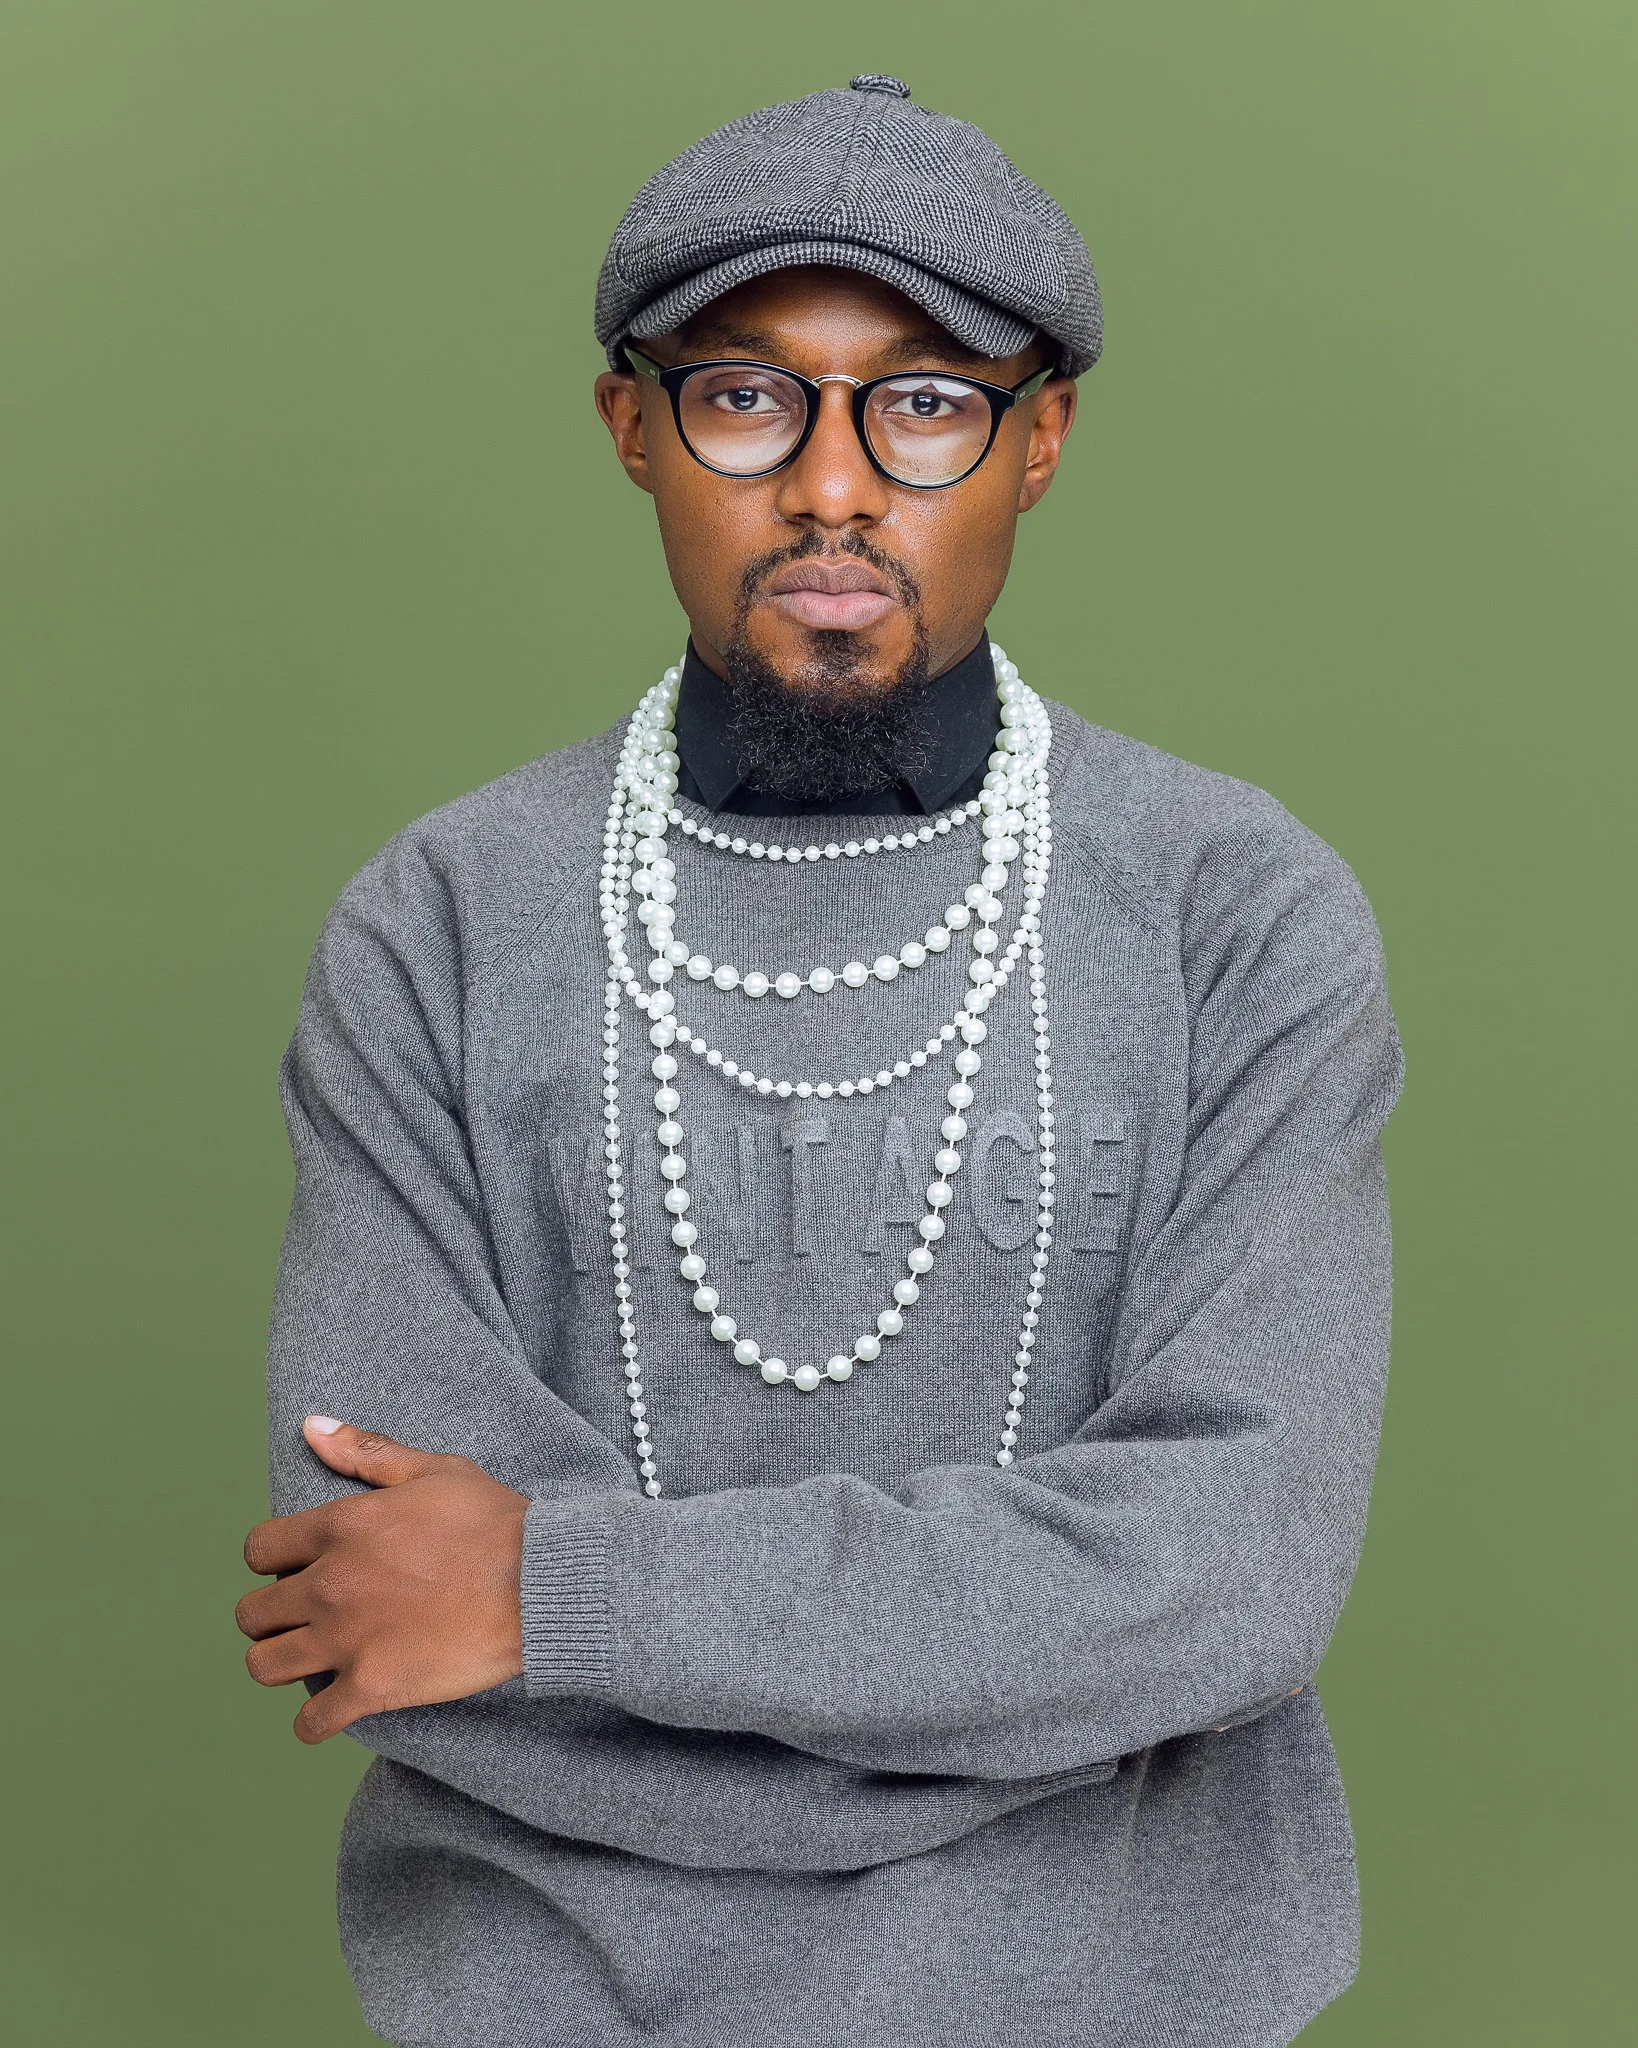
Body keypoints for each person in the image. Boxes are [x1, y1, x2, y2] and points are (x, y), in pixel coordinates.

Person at [238, 74, 1404, 2048]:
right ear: (634, 426)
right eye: (750, 393)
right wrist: (1017, 1693)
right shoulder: (436, 924)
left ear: (1038, 441)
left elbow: (1235, 1570)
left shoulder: (1238, 912)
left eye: (927, 397)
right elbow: (382, 1603)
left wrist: (564, 1592)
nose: (836, 483)